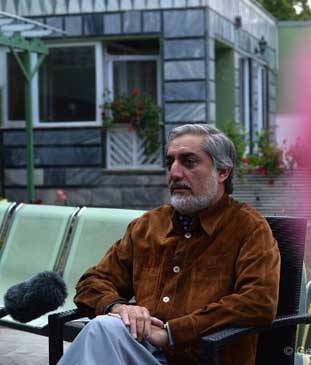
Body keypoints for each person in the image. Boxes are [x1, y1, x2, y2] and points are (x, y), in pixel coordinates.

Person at [58, 124, 281, 365]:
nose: (174, 173)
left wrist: (172, 332)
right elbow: (92, 283)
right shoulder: (148, 226)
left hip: (206, 359)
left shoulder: (248, 228)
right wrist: (119, 308)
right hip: (143, 354)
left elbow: (258, 302)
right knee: (104, 327)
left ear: (222, 172)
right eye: (170, 163)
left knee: (101, 334)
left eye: (189, 162)